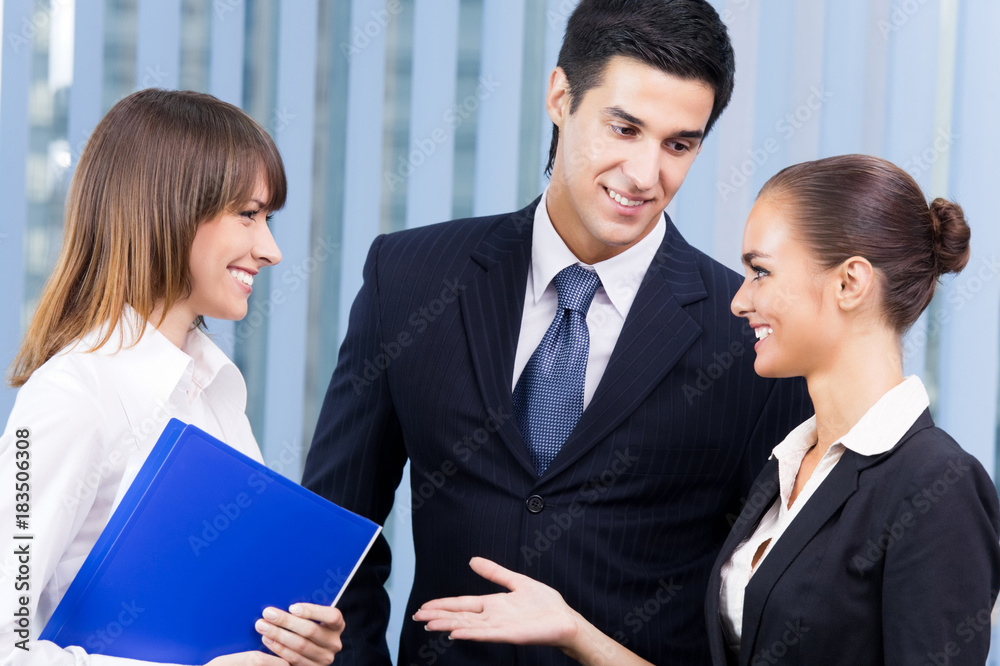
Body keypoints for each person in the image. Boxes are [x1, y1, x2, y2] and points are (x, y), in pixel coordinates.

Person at [302, 1, 811, 663]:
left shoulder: (748, 333)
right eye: (624, 128)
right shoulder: (410, 278)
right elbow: (334, 529)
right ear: (560, 98)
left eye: (678, 145)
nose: (644, 175)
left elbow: (772, 599)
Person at [413, 154, 1000, 665]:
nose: (739, 300)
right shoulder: (789, 466)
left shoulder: (938, 485)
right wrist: (575, 633)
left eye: (761, 272)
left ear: (850, 283)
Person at [0, 89, 344, 666]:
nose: (271, 250)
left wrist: (295, 640)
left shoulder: (214, 391)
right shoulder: (72, 395)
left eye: (268, 219)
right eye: (248, 214)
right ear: (169, 209)